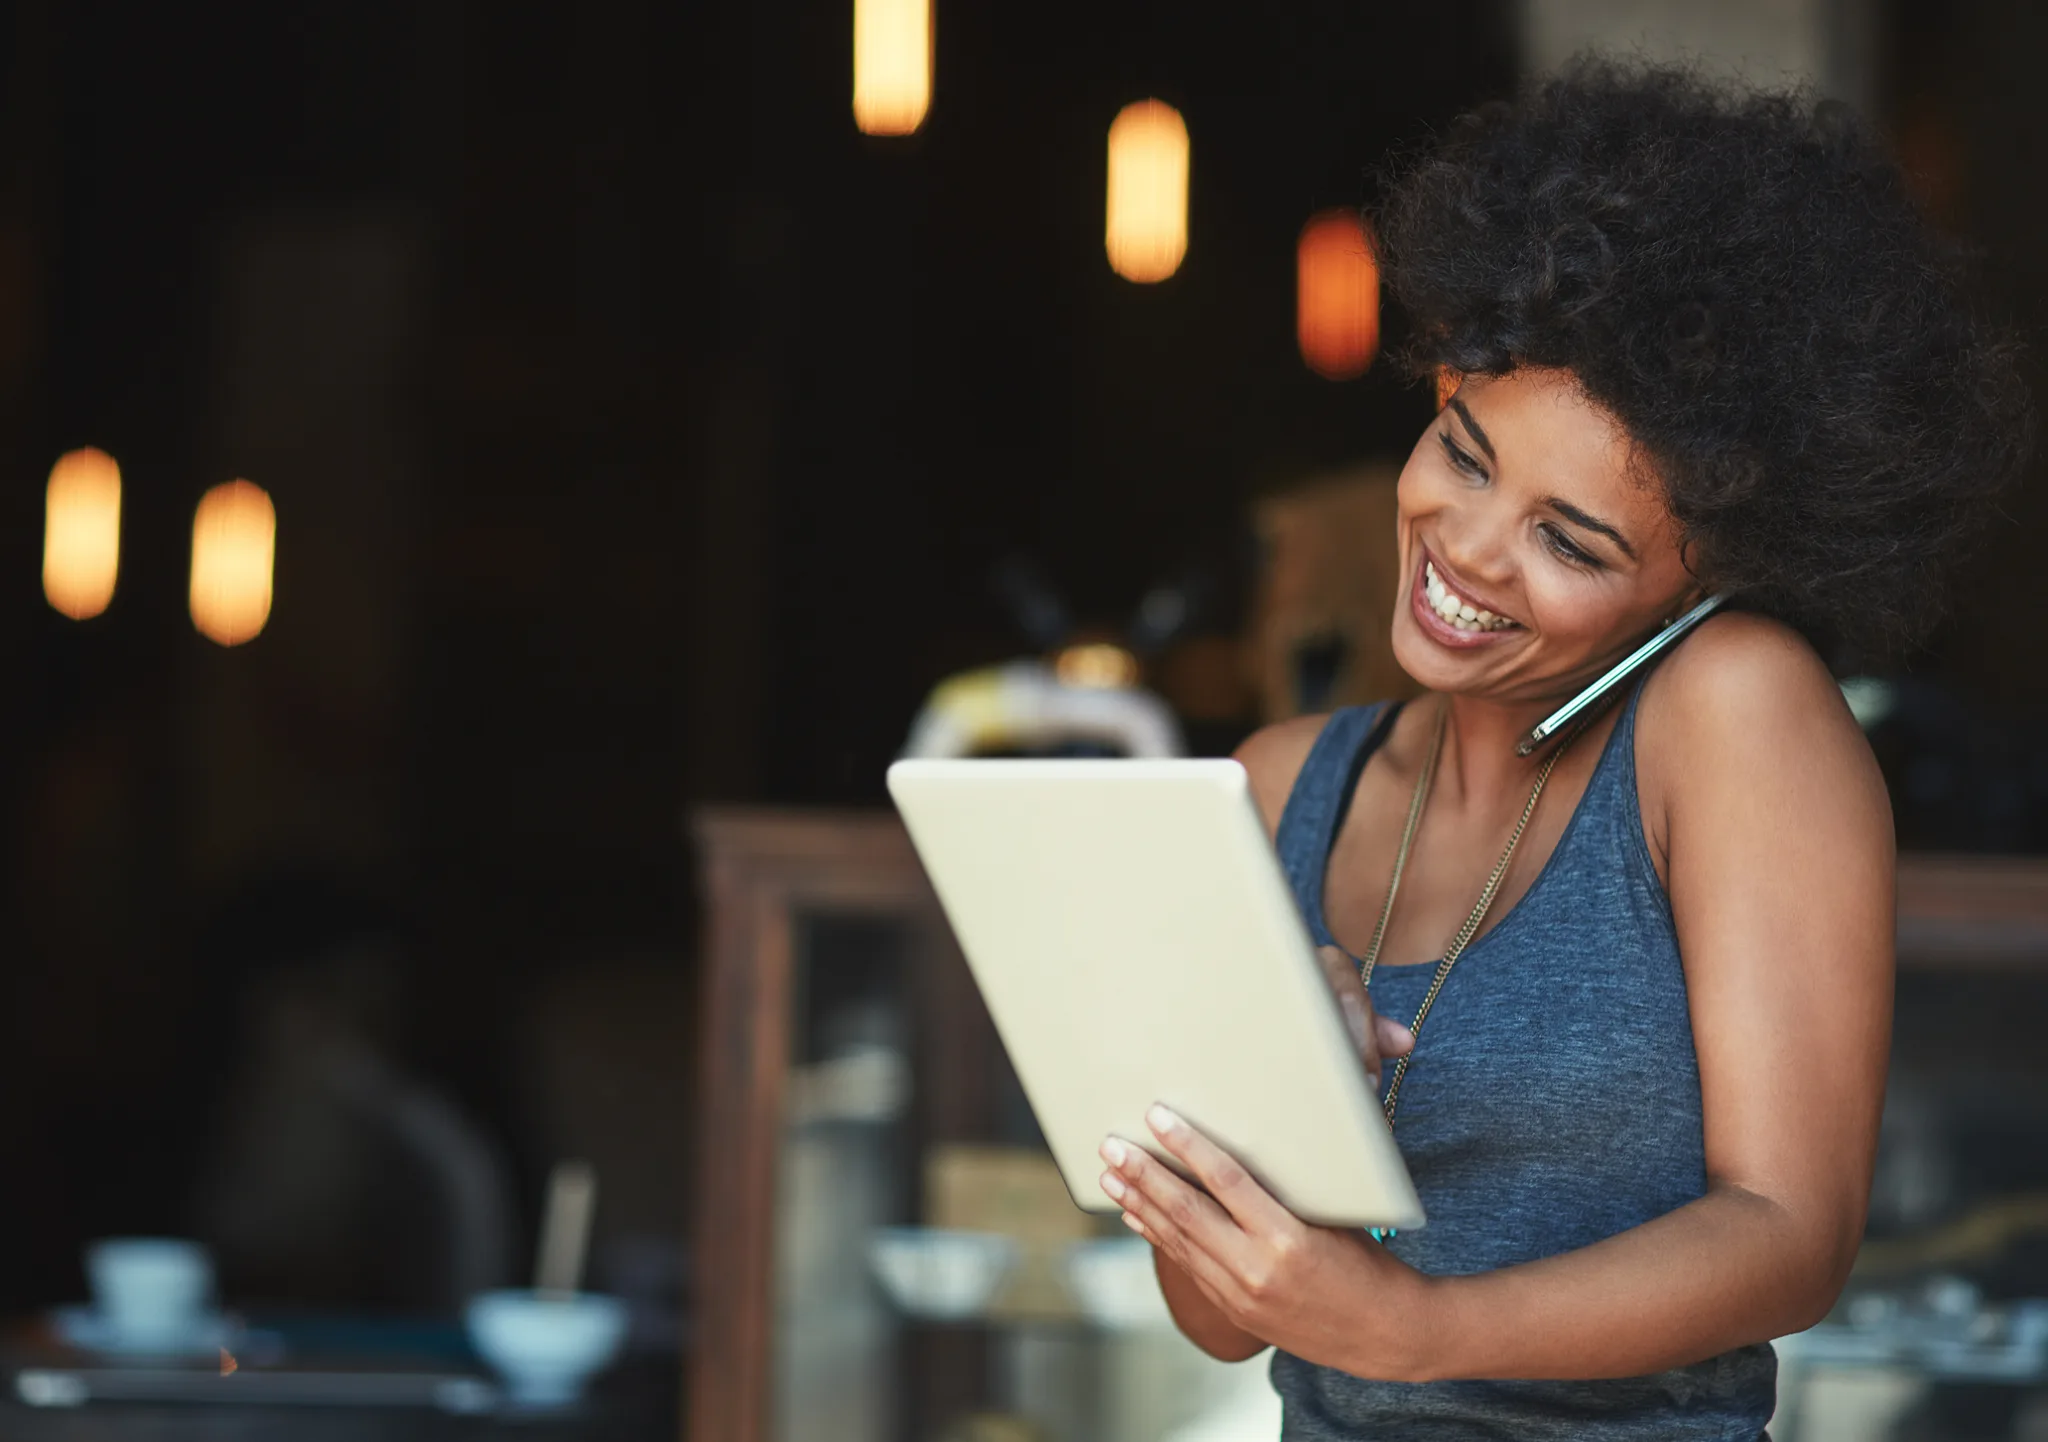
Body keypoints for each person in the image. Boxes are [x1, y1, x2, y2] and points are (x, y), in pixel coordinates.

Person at [1095, 59, 2033, 1439]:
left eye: (1569, 539)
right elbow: (1224, 1317)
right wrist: (1289, 1125)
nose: (1469, 552)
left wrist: (1416, 1329)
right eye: (1466, 456)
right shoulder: (1282, 785)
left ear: (1703, 575)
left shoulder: (1733, 717)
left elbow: (1792, 1230)